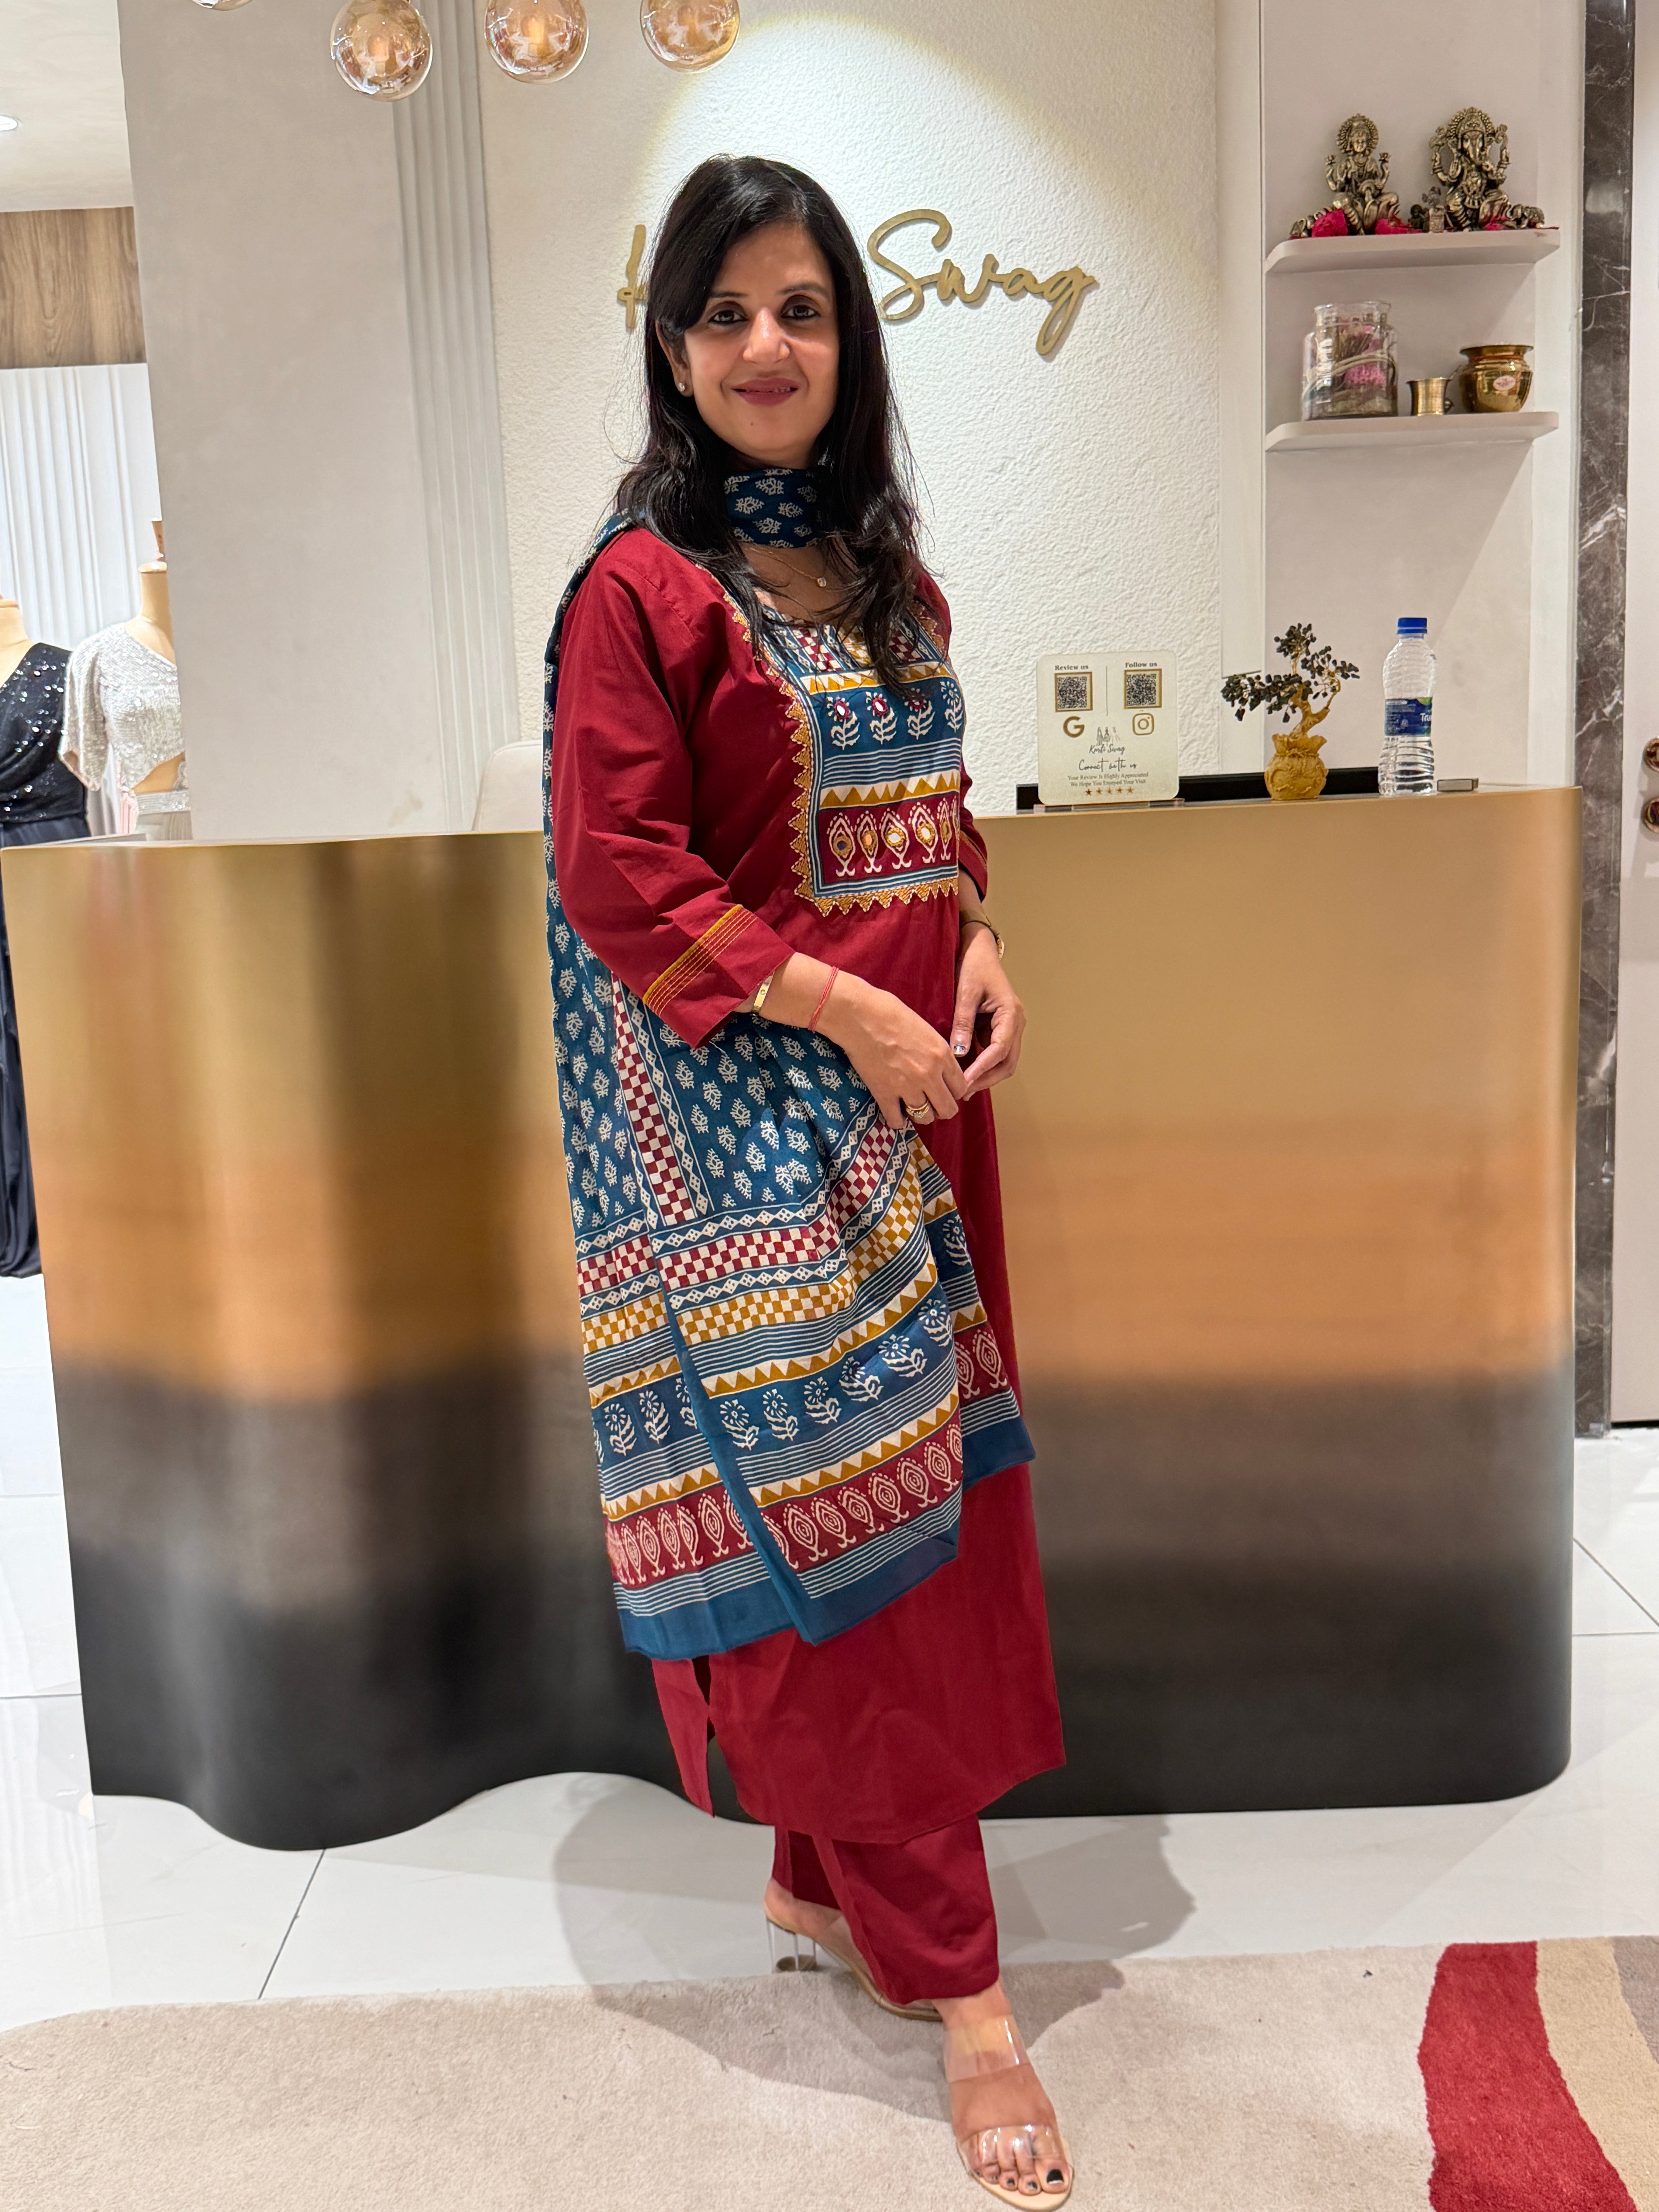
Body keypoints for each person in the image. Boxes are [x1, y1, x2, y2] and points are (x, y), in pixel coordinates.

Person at [544, 155, 1070, 2202]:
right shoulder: (644, 593)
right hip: (771, 1142)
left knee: (923, 1513)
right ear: (673, 348)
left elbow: (936, 811)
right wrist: (850, 1013)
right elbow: (619, 871)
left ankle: (817, 1874)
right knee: (865, 1539)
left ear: (849, 343)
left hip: (933, 1108)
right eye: (726, 312)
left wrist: (983, 937)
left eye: (804, 309)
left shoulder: (894, 578)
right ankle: (970, 1998)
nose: (767, 346)